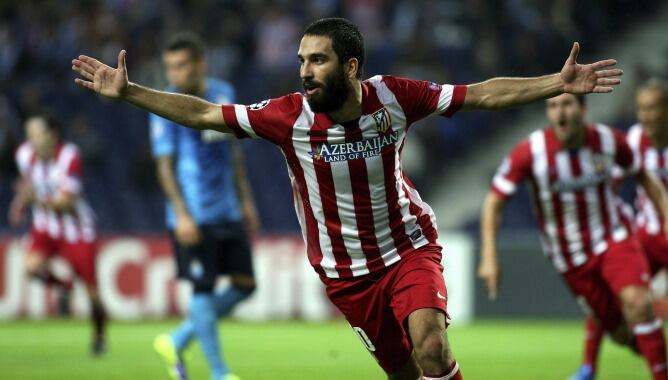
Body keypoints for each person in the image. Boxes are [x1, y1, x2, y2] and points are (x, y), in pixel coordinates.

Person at [72, 17, 624, 380]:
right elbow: (203, 113)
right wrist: (131, 93)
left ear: (351, 67)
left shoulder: (396, 97)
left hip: (408, 246)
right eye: (302, 61)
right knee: (408, 373)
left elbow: (479, 95)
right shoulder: (287, 117)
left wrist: (556, 82)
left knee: (431, 346)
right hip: (346, 274)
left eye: (318, 61)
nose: (305, 72)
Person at [479, 93, 668, 380]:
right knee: (619, 334)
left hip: (614, 237)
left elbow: (643, 176)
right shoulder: (531, 151)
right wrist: (489, 257)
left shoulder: (608, 141)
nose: (560, 112)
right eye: (553, 106)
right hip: (571, 259)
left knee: (639, 302)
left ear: (583, 109)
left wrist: (665, 213)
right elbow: (494, 202)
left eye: (567, 104)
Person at [148, 32, 258, 380]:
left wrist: (246, 200)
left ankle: (178, 338)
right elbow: (164, 165)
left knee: (245, 284)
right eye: (169, 67)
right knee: (204, 287)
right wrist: (181, 214)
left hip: (227, 207)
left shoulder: (223, 93)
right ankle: (219, 373)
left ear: (200, 64)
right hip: (193, 214)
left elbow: (233, 151)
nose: (174, 74)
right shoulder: (165, 104)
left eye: (180, 66)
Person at [570, 79, 668, 380]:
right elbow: (613, 180)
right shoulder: (635, 138)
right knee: (606, 290)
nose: (644, 116)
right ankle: (588, 366)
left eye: (652, 108)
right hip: (649, 237)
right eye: (641, 108)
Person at [8, 114, 107, 355]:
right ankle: (64, 285)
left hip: (77, 232)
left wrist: (34, 199)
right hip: (45, 228)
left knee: (93, 296)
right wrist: (20, 202)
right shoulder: (24, 155)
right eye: (29, 134)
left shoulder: (69, 156)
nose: (31, 139)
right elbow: (28, 182)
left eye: (37, 134)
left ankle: (99, 334)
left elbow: (67, 203)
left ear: (52, 136)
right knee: (31, 268)